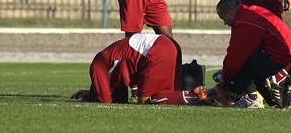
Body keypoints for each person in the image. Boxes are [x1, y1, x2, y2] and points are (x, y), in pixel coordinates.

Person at [209, 0, 291, 109]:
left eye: (223, 18)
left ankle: (251, 98)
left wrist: (225, 77)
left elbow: (235, 56)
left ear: (229, 13)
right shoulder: (252, 12)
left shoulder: (245, 21)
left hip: (287, 68)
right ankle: (286, 93)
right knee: (251, 58)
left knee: (246, 59)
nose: (225, 23)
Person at [70, 33, 208, 105]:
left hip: (157, 49)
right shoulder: (112, 55)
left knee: (146, 101)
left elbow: (104, 99)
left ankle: (194, 94)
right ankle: (208, 95)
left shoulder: (98, 63)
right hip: (170, 44)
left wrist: (93, 95)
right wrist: (93, 92)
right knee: (168, 95)